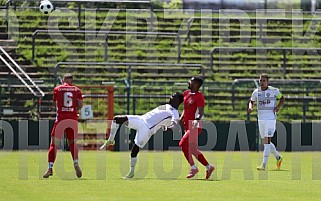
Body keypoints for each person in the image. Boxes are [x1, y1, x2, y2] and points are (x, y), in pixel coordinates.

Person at [100, 92, 184, 179]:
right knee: (117, 119)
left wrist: (168, 127)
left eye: (174, 96)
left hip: (147, 129)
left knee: (134, 150)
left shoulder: (175, 112)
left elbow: (174, 124)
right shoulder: (166, 105)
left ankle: (131, 172)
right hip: (141, 119)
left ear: (178, 100)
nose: (171, 96)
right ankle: (111, 140)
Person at [43, 73, 83, 178]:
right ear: (72, 81)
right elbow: (80, 105)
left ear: (63, 80)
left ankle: (50, 168)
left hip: (60, 119)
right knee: (73, 144)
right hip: (73, 119)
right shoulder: (77, 90)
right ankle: (76, 163)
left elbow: (55, 102)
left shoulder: (57, 89)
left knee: (54, 144)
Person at [179, 76, 215, 179]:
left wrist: (196, 120)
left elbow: (200, 111)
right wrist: (181, 118)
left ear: (195, 84)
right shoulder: (186, 93)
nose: (188, 82)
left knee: (182, 144)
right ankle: (209, 167)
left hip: (195, 125)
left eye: (190, 81)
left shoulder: (199, 96)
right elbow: (185, 109)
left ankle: (193, 167)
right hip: (187, 125)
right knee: (193, 149)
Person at [248, 73, 285, 171]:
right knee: (266, 142)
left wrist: (278, 107)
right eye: (261, 80)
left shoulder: (274, 91)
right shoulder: (256, 92)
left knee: (267, 141)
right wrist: (250, 107)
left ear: (268, 82)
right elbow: (252, 101)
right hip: (261, 119)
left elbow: (282, 98)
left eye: (264, 80)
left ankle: (263, 165)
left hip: (270, 119)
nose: (262, 82)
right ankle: (278, 157)